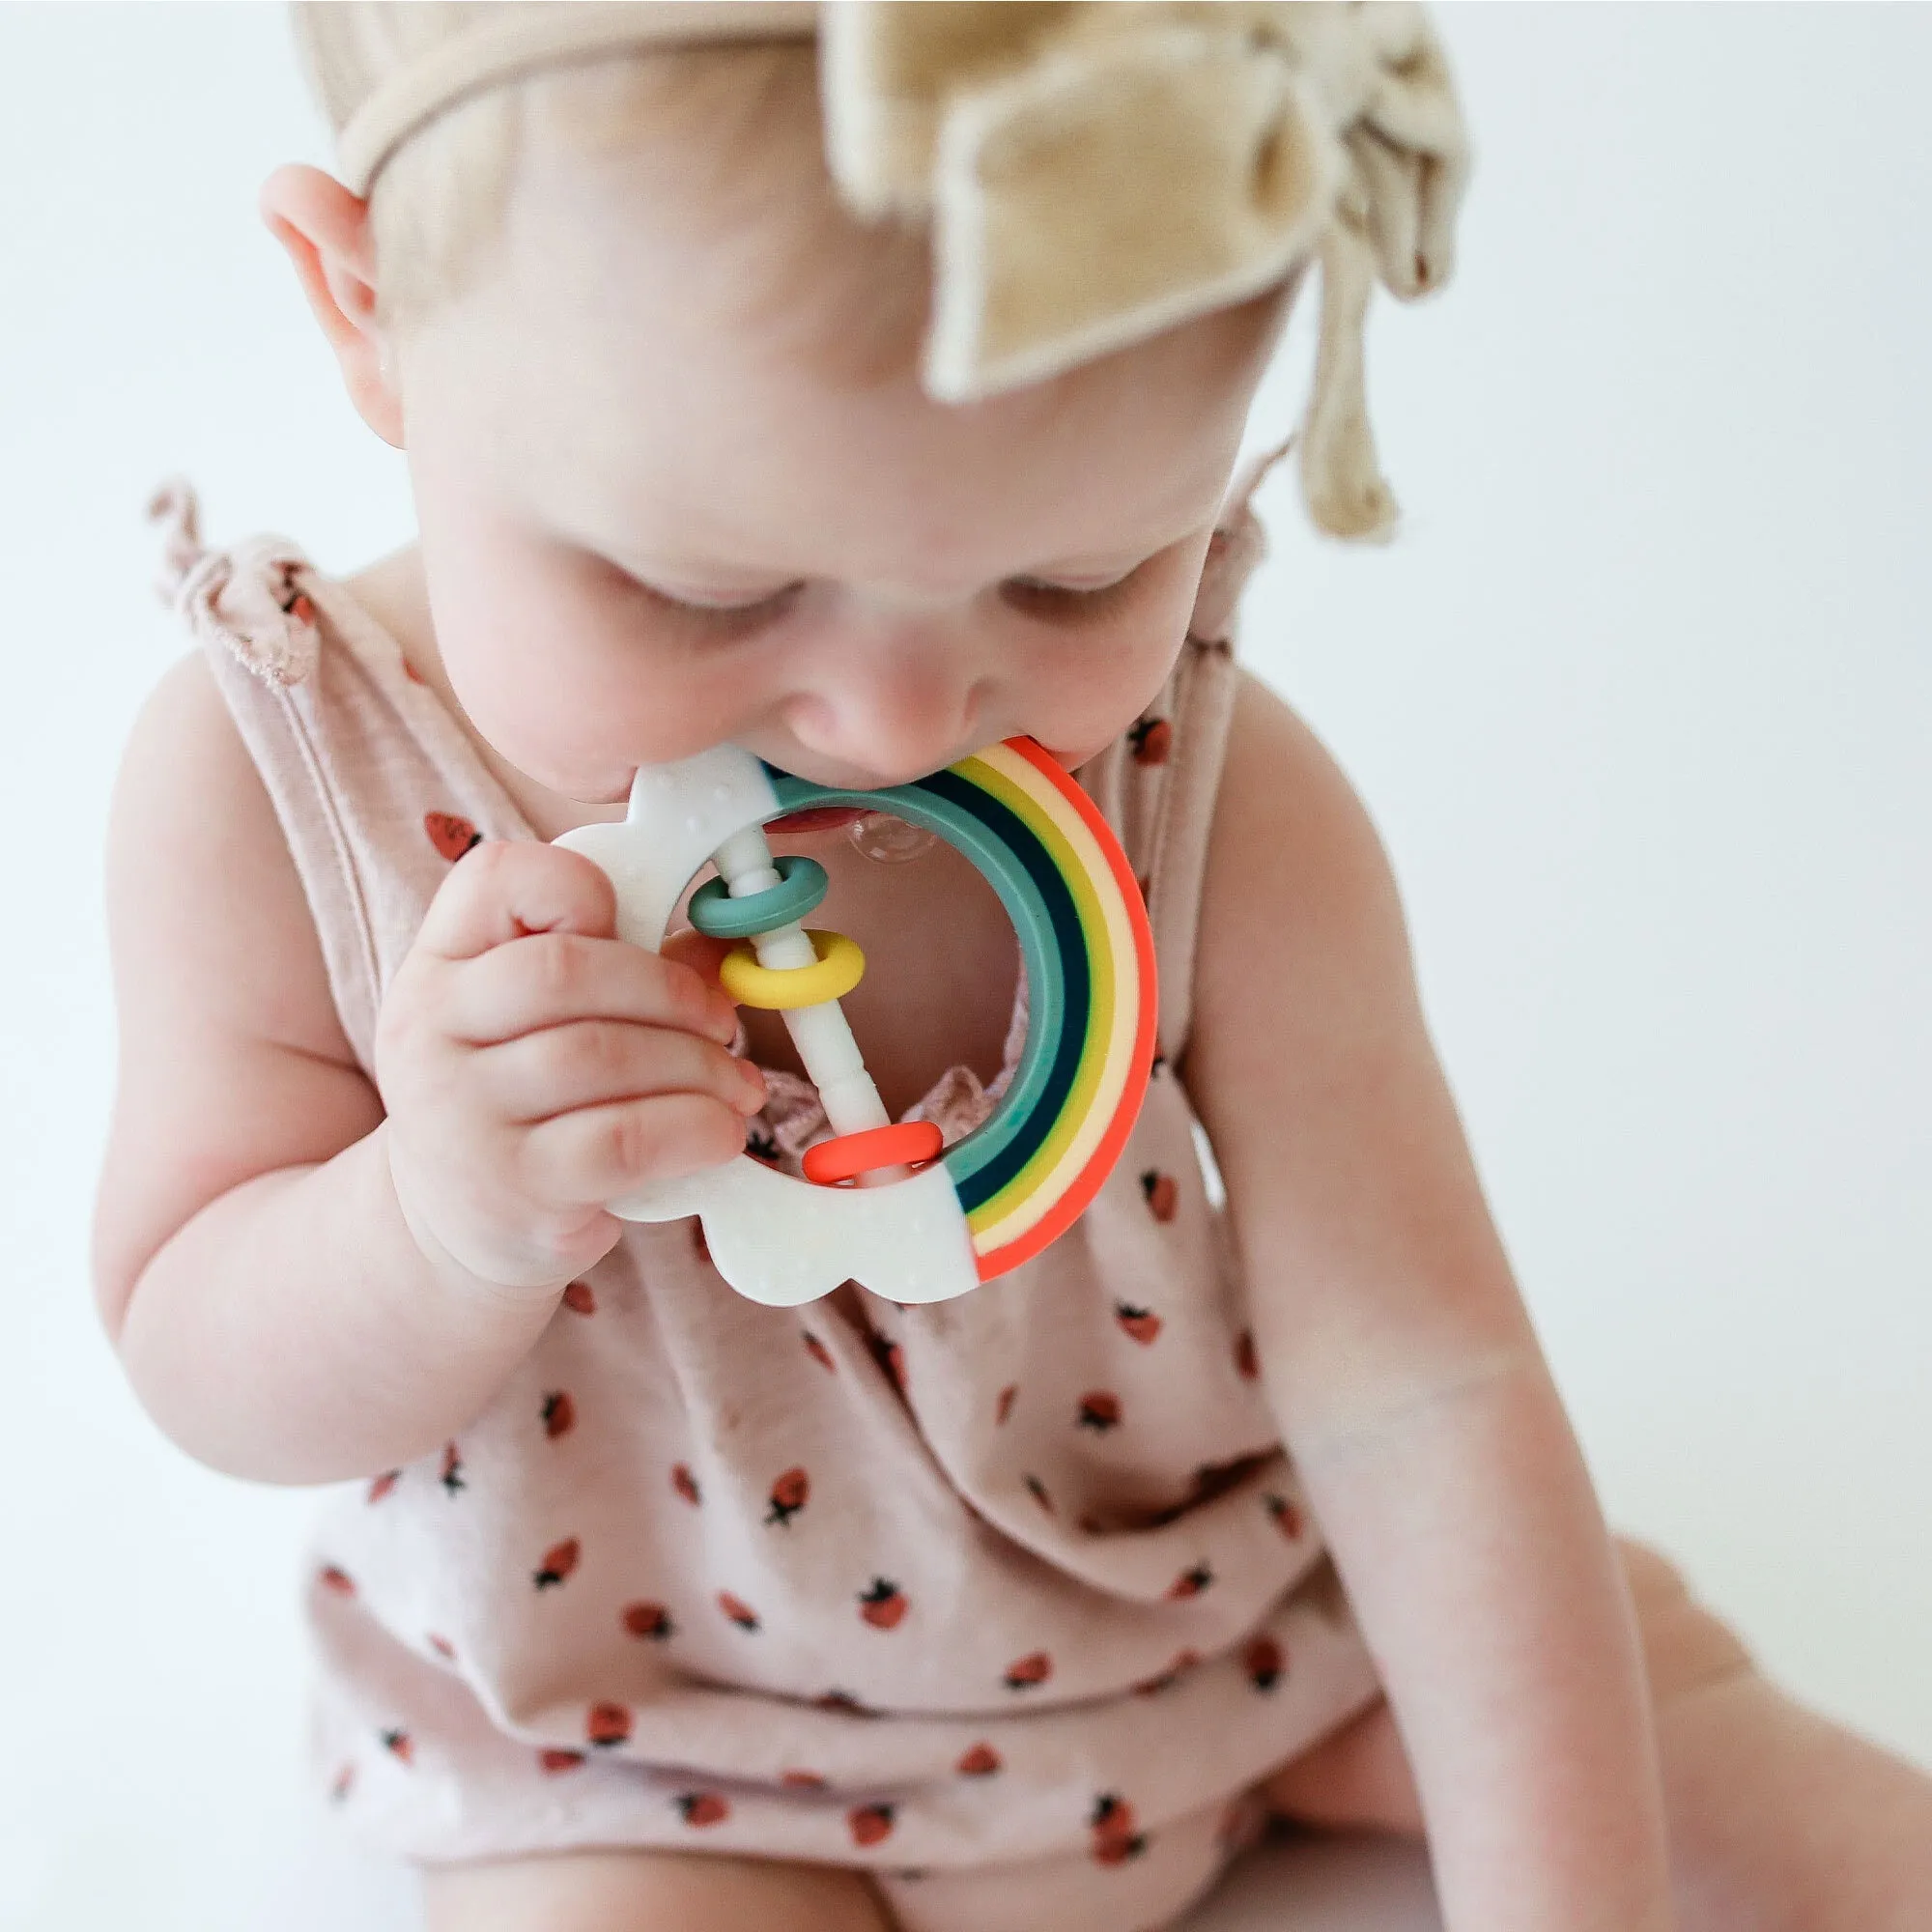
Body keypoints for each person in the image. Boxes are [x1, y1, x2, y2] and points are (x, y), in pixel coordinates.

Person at [95, 6, 1932, 1930]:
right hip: (663, 1760)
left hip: (1236, 1623)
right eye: (707, 588)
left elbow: (1428, 1393)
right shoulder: (277, 789)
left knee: (1677, 1738)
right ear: (368, 304)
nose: (899, 716)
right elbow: (200, 1357)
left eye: (1074, 577)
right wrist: (433, 1214)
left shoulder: (1210, 795)